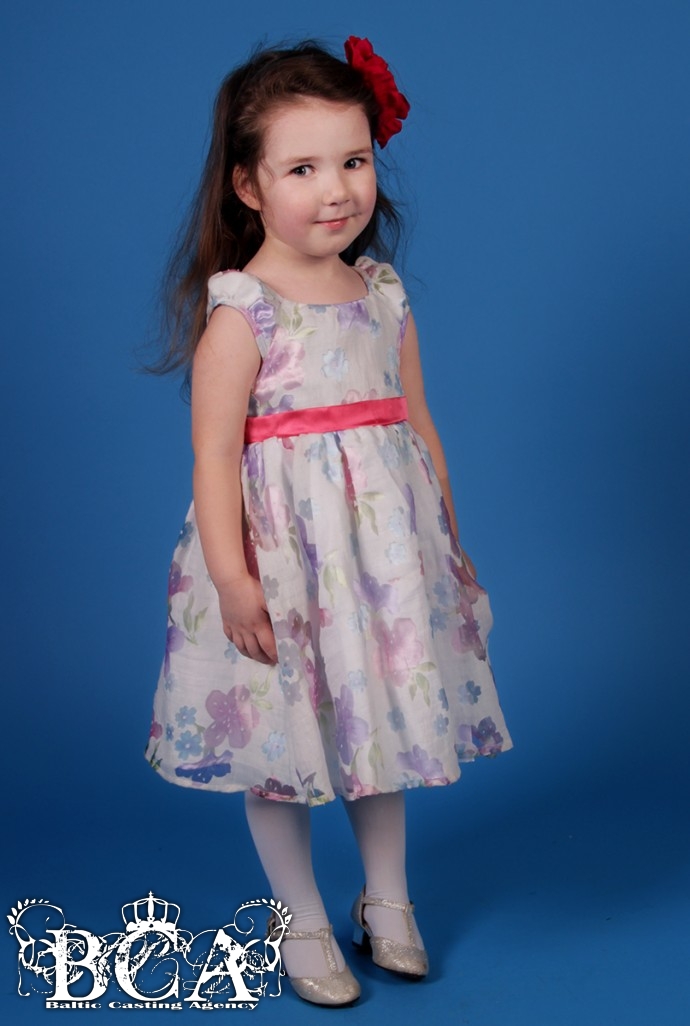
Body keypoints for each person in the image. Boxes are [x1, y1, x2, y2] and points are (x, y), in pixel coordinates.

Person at [145, 36, 512, 1006]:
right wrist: (234, 580)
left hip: (381, 565)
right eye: (302, 168)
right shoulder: (245, 313)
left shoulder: (382, 295)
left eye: (352, 160)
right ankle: (300, 914)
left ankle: (387, 897)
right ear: (249, 186)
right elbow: (213, 456)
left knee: (376, 726)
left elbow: (418, 425)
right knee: (285, 745)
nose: (337, 188)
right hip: (283, 563)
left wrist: (448, 544)